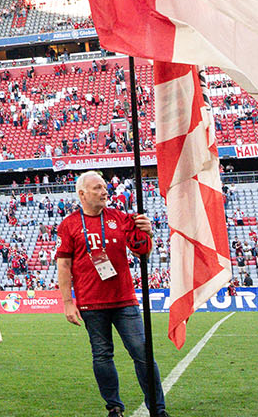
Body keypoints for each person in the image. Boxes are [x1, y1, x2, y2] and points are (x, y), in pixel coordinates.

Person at [55, 171, 163, 417]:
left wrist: (149, 233)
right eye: (97, 188)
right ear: (82, 194)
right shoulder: (69, 224)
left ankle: (158, 408)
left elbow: (142, 252)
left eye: (104, 187)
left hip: (124, 299)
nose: (105, 191)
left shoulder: (120, 217)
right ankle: (114, 407)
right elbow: (63, 265)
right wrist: (67, 302)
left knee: (142, 352)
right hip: (91, 303)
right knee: (102, 356)